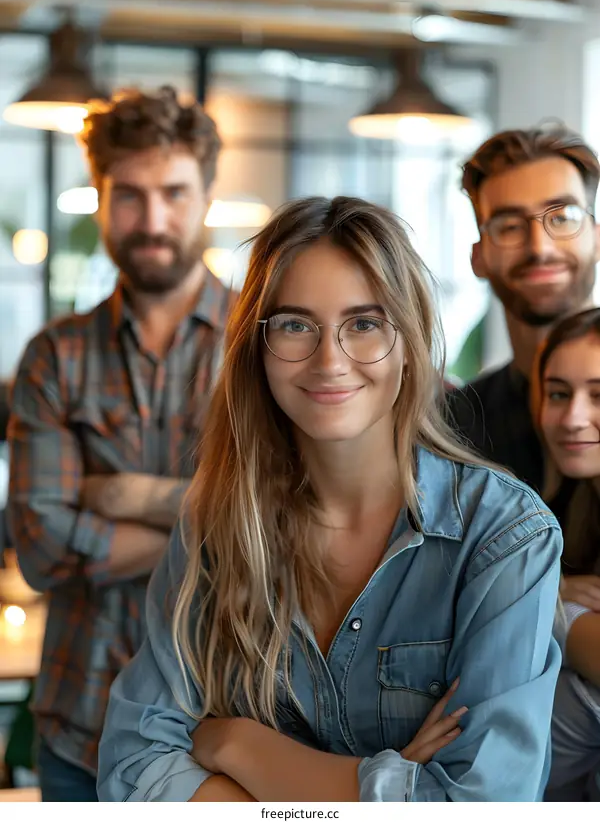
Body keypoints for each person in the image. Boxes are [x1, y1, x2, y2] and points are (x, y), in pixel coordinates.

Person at [97, 196, 561, 802]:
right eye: (295, 325)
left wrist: (238, 745)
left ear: (409, 338)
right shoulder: (218, 524)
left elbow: (480, 806)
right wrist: (373, 787)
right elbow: (132, 770)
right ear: (257, 348)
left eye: (364, 324)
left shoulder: (505, 537)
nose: (329, 361)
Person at [6, 86, 229, 801]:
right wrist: (217, 521)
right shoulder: (55, 356)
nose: (153, 219)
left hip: (226, 729)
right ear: (99, 197)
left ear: (207, 195)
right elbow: (40, 546)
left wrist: (129, 497)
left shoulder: (267, 344)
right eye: (128, 195)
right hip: (82, 728)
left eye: (174, 192)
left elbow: (297, 521)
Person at [448, 125, 600, 493]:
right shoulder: (453, 426)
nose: (540, 248)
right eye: (510, 226)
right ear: (478, 257)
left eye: (562, 217)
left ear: (596, 238)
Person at [533, 308, 600, 800]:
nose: (573, 418)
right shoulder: (564, 514)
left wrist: (550, 607)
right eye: (558, 394)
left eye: (599, 396)